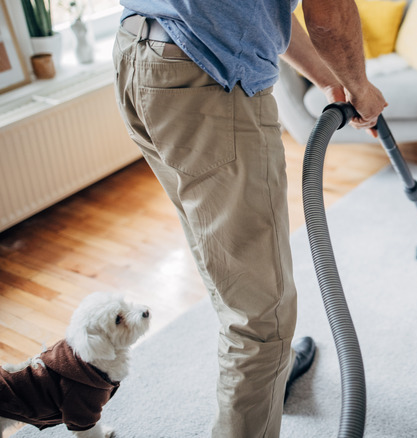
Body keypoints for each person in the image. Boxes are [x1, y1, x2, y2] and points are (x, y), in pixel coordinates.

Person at [112, 1, 387, 436]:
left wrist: (329, 79)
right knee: (261, 316)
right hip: (209, 78)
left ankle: (266, 373)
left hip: (142, 58)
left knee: (229, 266)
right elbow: (328, 13)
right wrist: (361, 86)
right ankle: (263, 360)